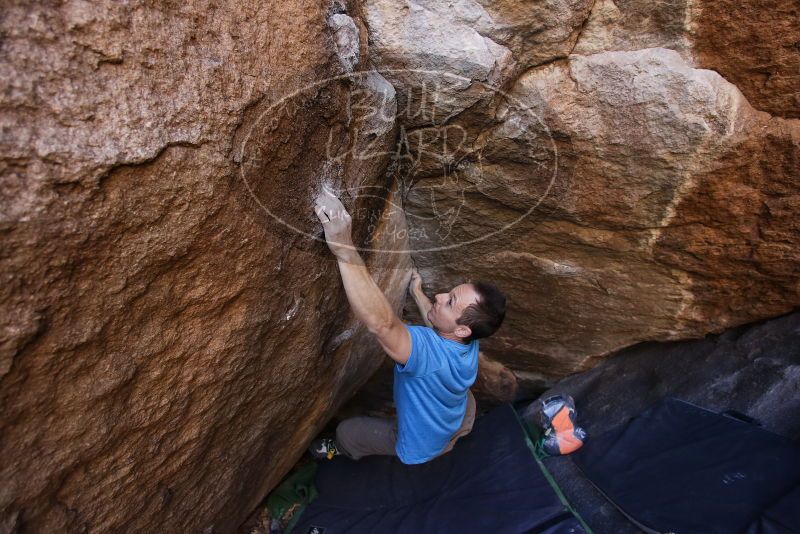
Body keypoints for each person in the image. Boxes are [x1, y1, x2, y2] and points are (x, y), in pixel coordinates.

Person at [309, 188, 506, 464]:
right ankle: (453, 434)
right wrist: (417, 293)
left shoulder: (428, 356)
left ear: (462, 330)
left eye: (449, 301)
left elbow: (383, 324)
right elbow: (438, 322)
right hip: (457, 414)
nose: (439, 296)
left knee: (348, 431)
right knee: (465, 406)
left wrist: (345, 250)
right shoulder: (468, 339)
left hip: (419, 443)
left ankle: (338, 449)